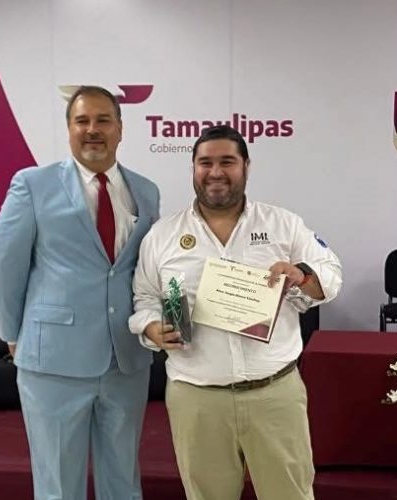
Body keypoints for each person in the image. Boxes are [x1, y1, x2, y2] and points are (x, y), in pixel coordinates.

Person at [128, 125, 342, 500]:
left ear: (246, 166)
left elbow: (331, 274)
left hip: (274, 392)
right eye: (205, 162)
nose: (215, 172)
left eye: (227, 161)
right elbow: (144, 297)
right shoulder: (161, 236)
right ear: (193, 168)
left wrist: (302, 275)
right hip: (196, 398)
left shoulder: (282, 224)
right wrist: (150, 327)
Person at [0, 86, 160, 500]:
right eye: (82, 121)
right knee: (59, 485)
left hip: (126, 359)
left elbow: (146, 270)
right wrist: (12, 334)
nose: (92, 130)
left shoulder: (147, 191)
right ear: (69, 130)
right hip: (53, 359)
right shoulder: (32, 184)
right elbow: (4, 262)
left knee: (123, 478)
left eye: (103, 120)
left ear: (120, 129)